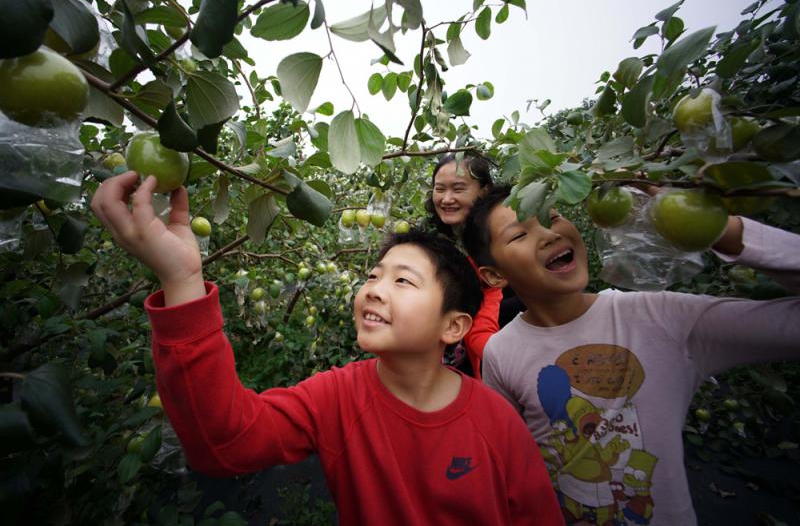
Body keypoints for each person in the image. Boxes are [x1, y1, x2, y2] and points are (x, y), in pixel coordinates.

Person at [91, 171, 564, 526]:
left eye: (403, 281)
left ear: (454, 326)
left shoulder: (496, 421)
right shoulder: (336, 398)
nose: (375, 289)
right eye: (373, 276)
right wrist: (182, 280)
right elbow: (224, 443)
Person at [462, 183, 800, 526]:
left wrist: (715, 227)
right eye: (519, 235)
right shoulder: (501, 352)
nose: (549, 234)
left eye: (553, 216)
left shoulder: (660, 318)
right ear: (494, 275)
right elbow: (511, 463)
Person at [425, 153, 523, 379]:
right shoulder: (436, 245)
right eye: (440, 189)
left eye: (458, 189)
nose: (447, 199)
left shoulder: (505, 235)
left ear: (484, 191)